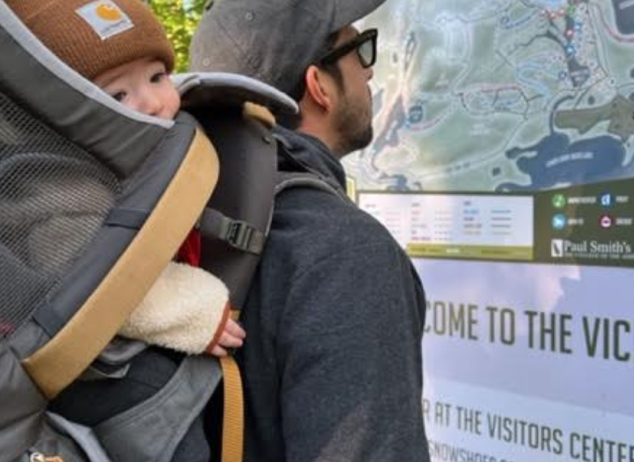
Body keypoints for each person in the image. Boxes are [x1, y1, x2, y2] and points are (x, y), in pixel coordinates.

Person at [190, 1, 431, 460]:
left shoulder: (181, 217)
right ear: (318, 85)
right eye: (359, 50)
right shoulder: (344, 252)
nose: (370, 74)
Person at [6, 0, 244, 459]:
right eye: (118, 96)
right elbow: (93, 283)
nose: (155, 103)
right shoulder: (54, 182)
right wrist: (195, 311)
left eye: (158, 77)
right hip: (82, 367)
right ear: (63, 117)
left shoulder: (130, 163)